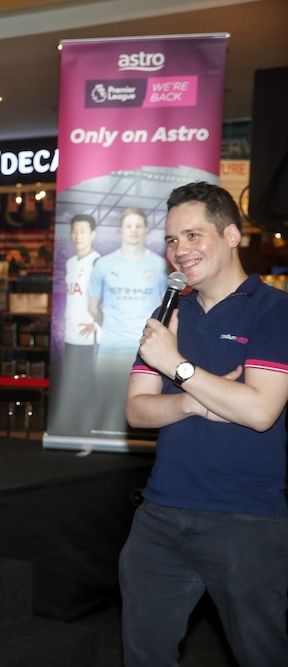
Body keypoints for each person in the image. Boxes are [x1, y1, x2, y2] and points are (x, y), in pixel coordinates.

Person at [122, 182, 288, 665]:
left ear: (232, 235)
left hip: (245, 518)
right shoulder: (169, 314)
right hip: (159, 514)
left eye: (194, 235)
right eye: (172, 240)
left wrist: (177, 368)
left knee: (262, 654)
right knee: (144, 655)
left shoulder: (274, 310)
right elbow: (137, 410)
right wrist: (193, 404)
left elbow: (259, 411)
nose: (180, 250)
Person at [87, 207, 168, 435]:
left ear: (146, 230)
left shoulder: (159, 265)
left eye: (138, 226)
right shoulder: (103, 264)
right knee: (107, 406)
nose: (133, 230)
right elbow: (92, 307)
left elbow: (165, 308)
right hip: (110, 350)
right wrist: (112, 327)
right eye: (129, 226)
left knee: (144, 408)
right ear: (120, 231)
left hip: (146, 351)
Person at [51, 214, 101, 434]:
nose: (77, 235)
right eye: (74, 231)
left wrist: (97, 325)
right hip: (70, 337)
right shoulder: (70, 263)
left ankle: (89, 434)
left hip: (90, 340)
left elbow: (108, 299)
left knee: (88, 388)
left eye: (82, 231)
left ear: (92, 234)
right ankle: (73, 432)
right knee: (71, 387)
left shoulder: (98, 262)